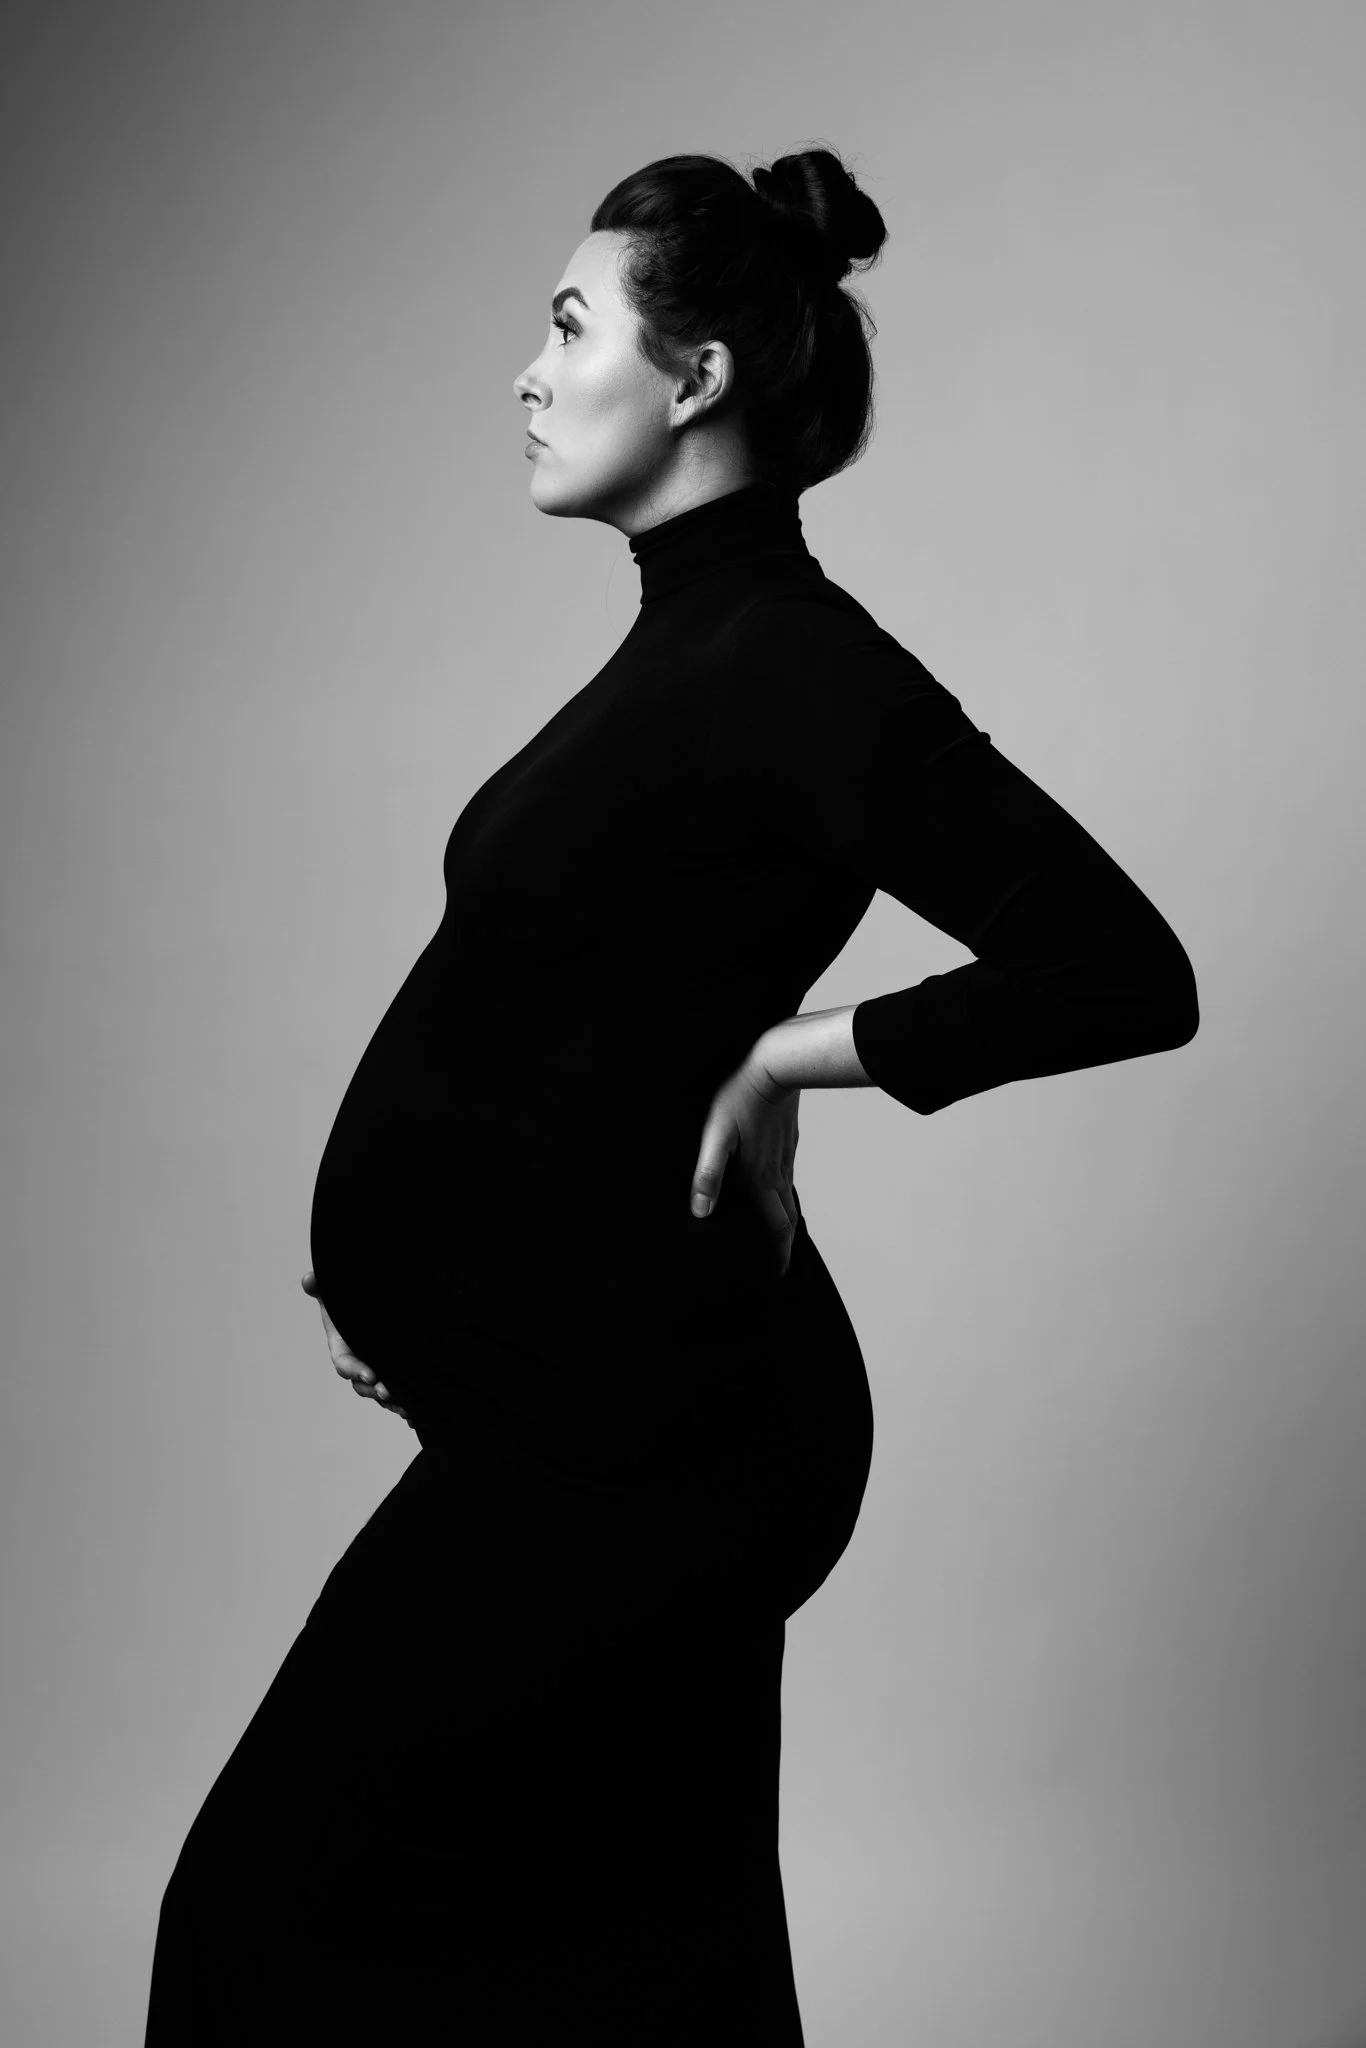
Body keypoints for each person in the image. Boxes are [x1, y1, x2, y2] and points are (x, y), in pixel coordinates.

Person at [144, 147, 1198, 2044]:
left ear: (695, 375)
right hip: (581, 1403)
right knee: (641, 1950)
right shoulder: (686, 640)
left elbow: (1120, 970)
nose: (528, 372)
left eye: (570, 328)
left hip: (660, 1437)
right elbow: (584, 1019)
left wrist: (799, 1057)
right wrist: (452, 1310)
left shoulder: (789, 662)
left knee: (262, 1917)